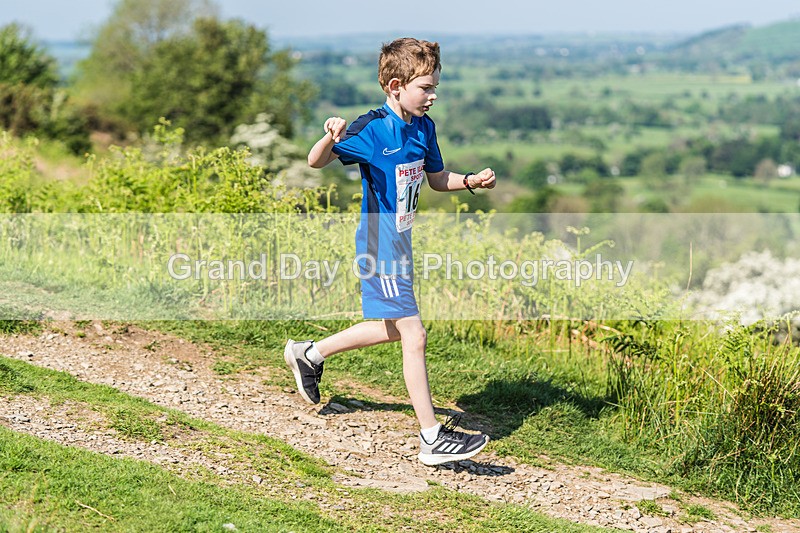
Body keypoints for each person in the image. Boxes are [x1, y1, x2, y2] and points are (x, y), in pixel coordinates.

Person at [284, 37, 496, 466]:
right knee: (414, 334)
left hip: (401, 242)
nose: (433, 95)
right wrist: (330, 137)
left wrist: (471, 181)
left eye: (436, 87)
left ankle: (309, 353)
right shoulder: (371, 128)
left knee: (395, 328)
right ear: (396, 85)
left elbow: (437, 180)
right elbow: (314, 161)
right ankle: (432, 437)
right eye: (426, 88)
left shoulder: (424, 128)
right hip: (378, 245)